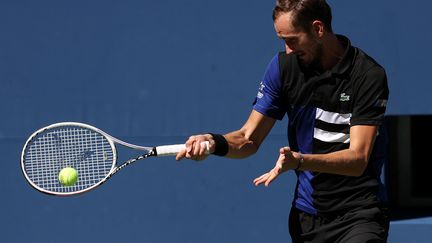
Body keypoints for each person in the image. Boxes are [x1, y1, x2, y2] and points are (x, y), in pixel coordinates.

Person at [176, 0, 390, 242]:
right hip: (307, 217)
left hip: (359, 214)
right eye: (283, 41)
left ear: (318, 29)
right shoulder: (283, 69)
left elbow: (358, 159)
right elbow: (248, 139)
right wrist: (213, 142)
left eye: (293, 39)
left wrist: (299, 160)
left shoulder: (367, 75)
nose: (288, 50)